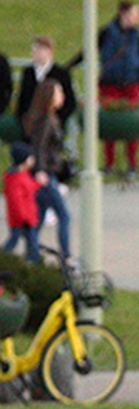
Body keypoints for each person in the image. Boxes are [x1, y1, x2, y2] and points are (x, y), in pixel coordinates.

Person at [96, 1, 139, 181]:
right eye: (134, 14)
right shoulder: (107, 32)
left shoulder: (136, 34)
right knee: (110, 122)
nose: (137, 18)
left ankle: (132, 164)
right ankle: (109, 163)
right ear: (124, 14)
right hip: (110, 82)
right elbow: (89, 50)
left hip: (131, 82)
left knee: (130, 124)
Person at [24, 80, 71, 259]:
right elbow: (39, 147)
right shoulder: (45, 121)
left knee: (39, 218)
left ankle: (32, 254)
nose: (62, 97)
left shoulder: (51, 118)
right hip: (45, 175)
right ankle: (65, 255)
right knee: (64, 216)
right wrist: (40, 170)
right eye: (58, 93)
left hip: (49, 172)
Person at [18, 36, 77, 135]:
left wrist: (58, 119)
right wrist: (23, 119)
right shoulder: (28, 72)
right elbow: (23, 98)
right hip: (29, 123)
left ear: (50, 52)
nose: (36, 54)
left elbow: (70, 101)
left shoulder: (61, 73)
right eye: (34, 50)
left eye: (40, 50)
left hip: (52, 124)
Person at [4, 142, 41, 260]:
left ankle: (31, 260)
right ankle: (33, 262)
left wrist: (38, 184)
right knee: (28, 243)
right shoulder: (16, 179)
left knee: (26, 242)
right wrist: (24, 218)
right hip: (23, 220)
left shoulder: (23, 175)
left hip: (27, 218)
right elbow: (17, 201)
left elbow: (29, 189)